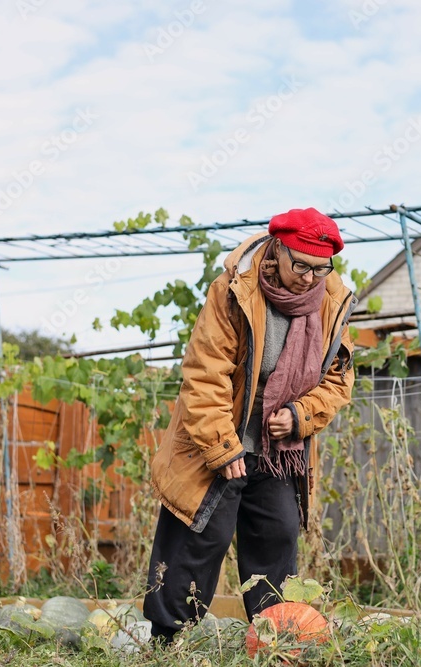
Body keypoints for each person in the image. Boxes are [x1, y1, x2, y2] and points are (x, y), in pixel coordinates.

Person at [143, 207, 357, 641]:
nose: (310, 279)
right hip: (220, 434)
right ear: (277, 250)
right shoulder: (234, 290)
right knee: (200, 537)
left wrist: (300, 415)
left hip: (278, 450)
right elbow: (206, 373)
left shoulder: (330, 304)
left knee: (278, 534)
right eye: (301, 266)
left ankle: (275, 640)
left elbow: (339, 379)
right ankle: (167, 641)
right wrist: (222, 447)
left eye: (321, 269)